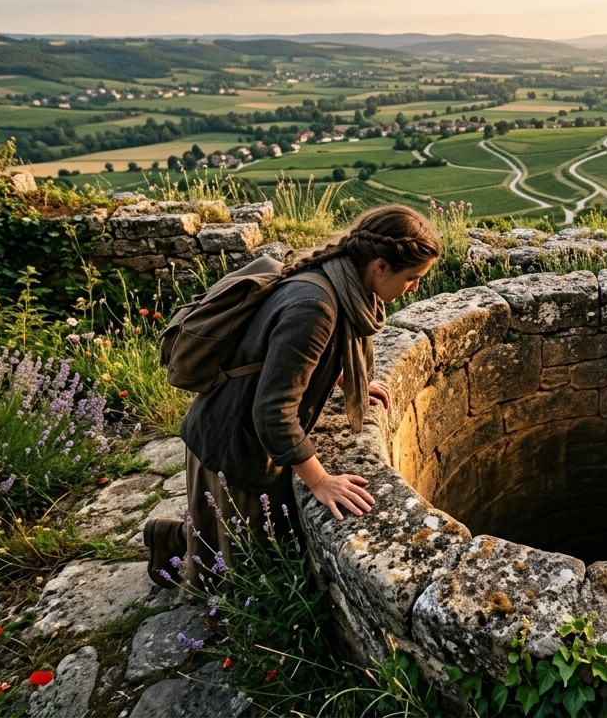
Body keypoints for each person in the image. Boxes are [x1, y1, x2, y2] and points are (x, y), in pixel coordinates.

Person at [143, 204, 441, 595]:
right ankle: (184, 565)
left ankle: (168, 538)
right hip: (236, 438)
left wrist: (338, 374)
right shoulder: (315, 306)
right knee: (249, 559)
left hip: (233, 421)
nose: (415, 288)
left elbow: (281, 352)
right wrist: (320, 482)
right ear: (381, 266)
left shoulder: (338, 279)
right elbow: (272, 412)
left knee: (227, 531)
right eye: (412, 278)